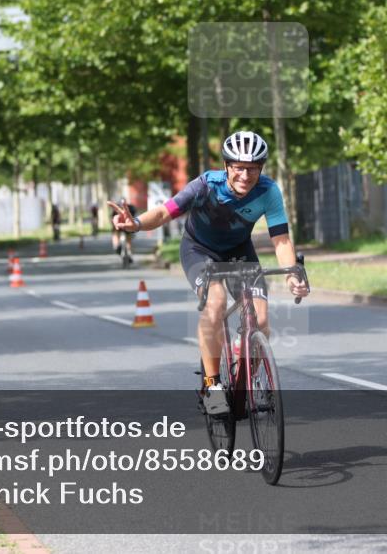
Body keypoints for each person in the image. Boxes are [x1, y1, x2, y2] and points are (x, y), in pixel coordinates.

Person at [108, 131, 308, 415]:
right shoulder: (205, 186)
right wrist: (137, 223)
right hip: (199, 250)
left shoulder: (269, 191)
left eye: (252, 169)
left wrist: (291, 275)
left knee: (261, 319)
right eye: (239, 168)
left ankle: (245, 380)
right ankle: (212, 386)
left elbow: (282, 240)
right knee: (215, 303)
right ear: (226, 166)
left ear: (261, 169)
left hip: (239, 251)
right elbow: (165, 213)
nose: (245, 175)